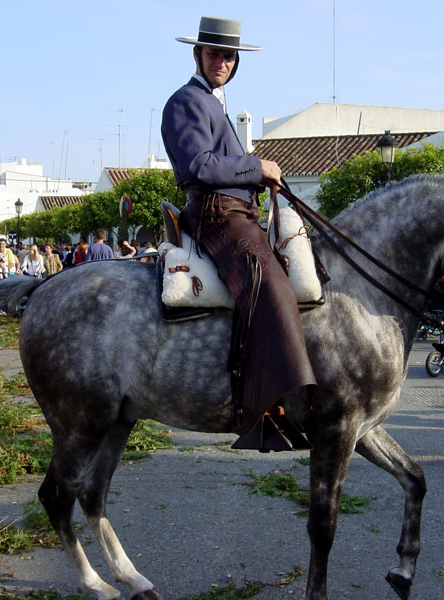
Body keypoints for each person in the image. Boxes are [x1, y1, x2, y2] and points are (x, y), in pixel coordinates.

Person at [162, 16, 316, 451]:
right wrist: (257, 166)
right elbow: (198, 166)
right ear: (198, 54)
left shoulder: (215, 104)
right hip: (218, 217)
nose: (223, 62)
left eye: (229, 56)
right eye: (215, 54)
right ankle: (265, 407)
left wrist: (258, 176)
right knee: (273, 285)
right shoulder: (185, 102)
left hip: (240, 211)